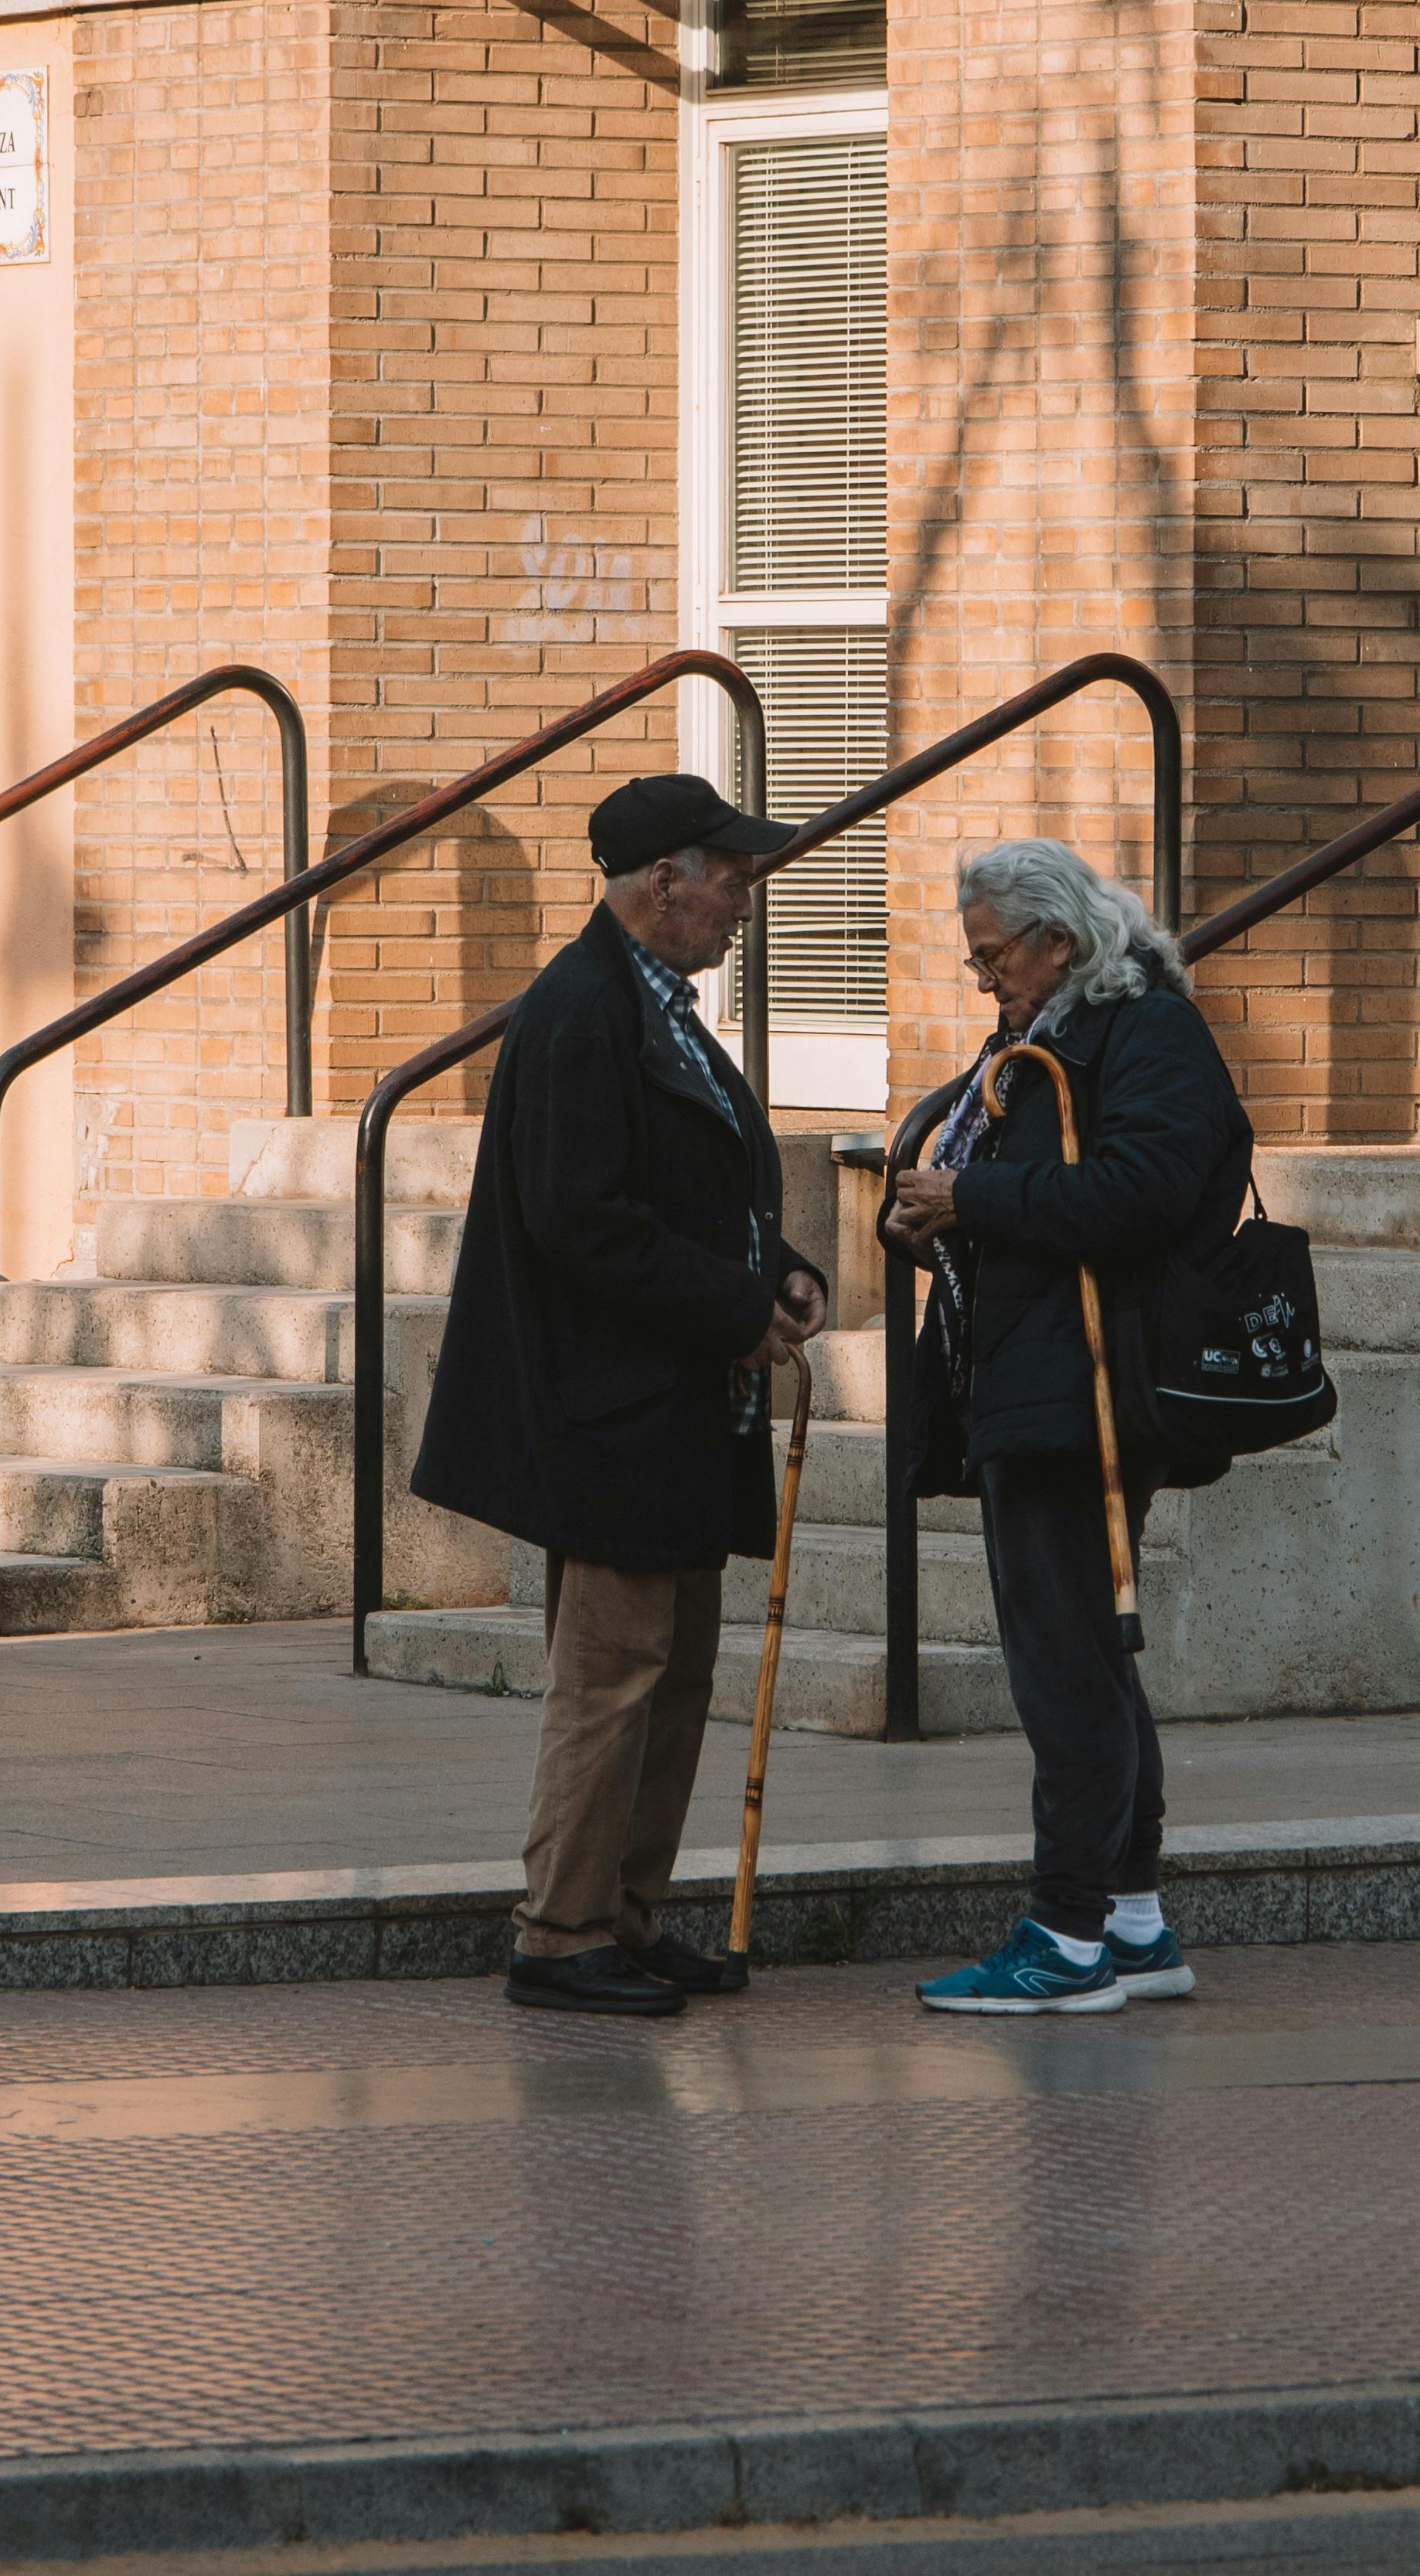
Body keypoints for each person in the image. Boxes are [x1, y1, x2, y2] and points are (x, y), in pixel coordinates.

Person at [414, 771, 827, 2020]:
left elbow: (690, 1188)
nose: (741, 902)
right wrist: (729, 1307)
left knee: (676, 1666)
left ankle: (626, 1915)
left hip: (671, 1406)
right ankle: (561, 1930)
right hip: (612, 1411)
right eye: (731, 876)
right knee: (613, 1673)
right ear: (666, 882)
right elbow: (580, 1219)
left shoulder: (650, 1004)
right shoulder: (583, 1008)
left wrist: (779, 1274)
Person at [888, 837, 1252, 2017]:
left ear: (1057, 937)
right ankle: (1133, 1922)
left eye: (994, 955)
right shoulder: (1047, 1032)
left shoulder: (1141, 1028)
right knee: (1088, 1651)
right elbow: (998, 1168)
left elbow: (1146, 1191)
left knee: (1066, 1666)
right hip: (1032, 1375)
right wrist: (931, 1208)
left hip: (1087, 1386)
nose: (983, 976)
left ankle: (1066, 1930)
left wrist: (973, 1197)